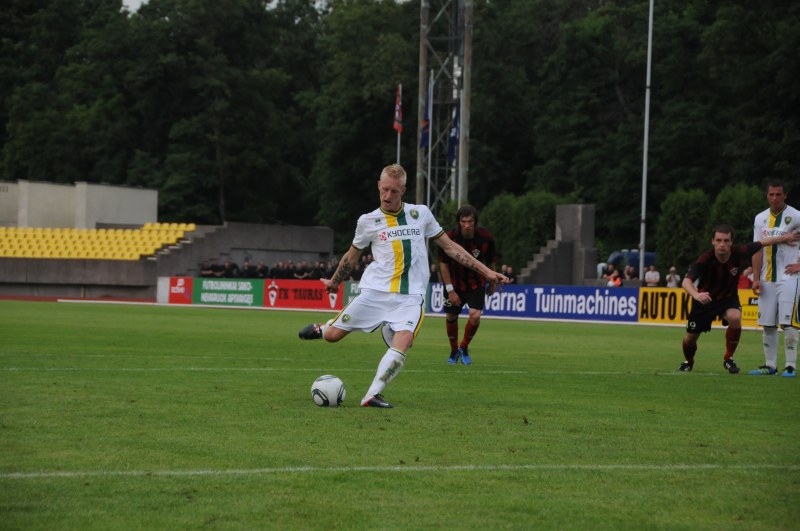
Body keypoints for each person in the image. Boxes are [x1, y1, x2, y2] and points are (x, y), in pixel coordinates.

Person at [297, 164, 509, 408]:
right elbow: (352, 256)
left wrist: (486, 271)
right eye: (384, 189)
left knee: (405, 340)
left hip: (410, 296)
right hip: (375, 292)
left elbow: (451, 248)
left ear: (404, 191)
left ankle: (371, 395)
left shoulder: (421, 214)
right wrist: (334, 282)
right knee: (334, 336)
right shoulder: (368, 221)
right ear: (379, 186)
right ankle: (323, 329)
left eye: (394, 192)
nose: (388, 196)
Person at [678, 224, 799, 374]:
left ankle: (729, 358)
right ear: (713, 241)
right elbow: (686, 282)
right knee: (690, 339)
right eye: (719, 240)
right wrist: (696, 295)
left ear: (731, 242)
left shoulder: (740, 252)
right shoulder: (705, 259)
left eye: (726, 241)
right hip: (705, 300)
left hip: (728, 299)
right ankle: (688, 362)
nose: (723, 245)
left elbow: (764, 242)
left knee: (735, 317)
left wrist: (785, 237)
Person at [749, 179, 800, 377]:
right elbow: (756, 249)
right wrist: (755, 277)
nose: (775, 198)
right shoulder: (760, 219)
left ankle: (790, 366)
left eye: (779, 194)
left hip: (790, 277)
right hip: (766, 277)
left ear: (785, 195)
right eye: (771, 194)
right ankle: (770, 365)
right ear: (767, 195)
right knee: (768, 323)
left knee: (788, 322)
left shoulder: (796, 216)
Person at [437, 205, 497, 365]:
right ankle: (453, 350)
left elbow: (490, 261)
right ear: (459, 222)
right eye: (464, 221)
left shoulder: (486, 237)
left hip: (476, 283)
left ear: (475, 222)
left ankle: (463, 347)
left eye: (470, 221)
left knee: (475, 316)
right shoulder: (448, 237)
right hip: (454, 284)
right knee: (451, 316)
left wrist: (492, 282)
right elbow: (443, 264)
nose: (467, 225)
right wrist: (450, 290)